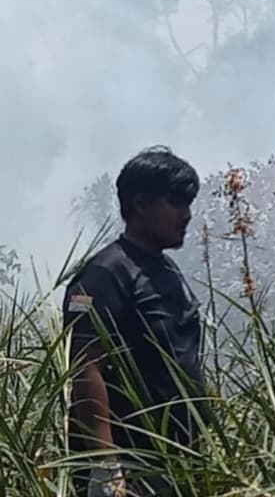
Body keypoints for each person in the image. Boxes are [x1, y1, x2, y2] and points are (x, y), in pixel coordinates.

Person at [63, 146, 209, 497]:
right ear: (140, 204)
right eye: (175, 202)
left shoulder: (167, 271)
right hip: (131, 466)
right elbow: (86, 368)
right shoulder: (105, 274)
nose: (186, 215)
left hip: (176, 460)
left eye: (188, 203)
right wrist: (105, 467)